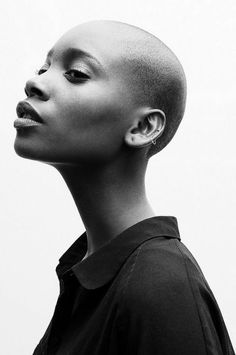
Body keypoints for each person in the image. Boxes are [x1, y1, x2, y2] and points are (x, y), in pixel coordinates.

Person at [14, 20, 235, 355]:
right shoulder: (95, 276)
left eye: (75, 73)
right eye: (44, 67)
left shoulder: (161, 287)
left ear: (144, 126)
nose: (35, 82)